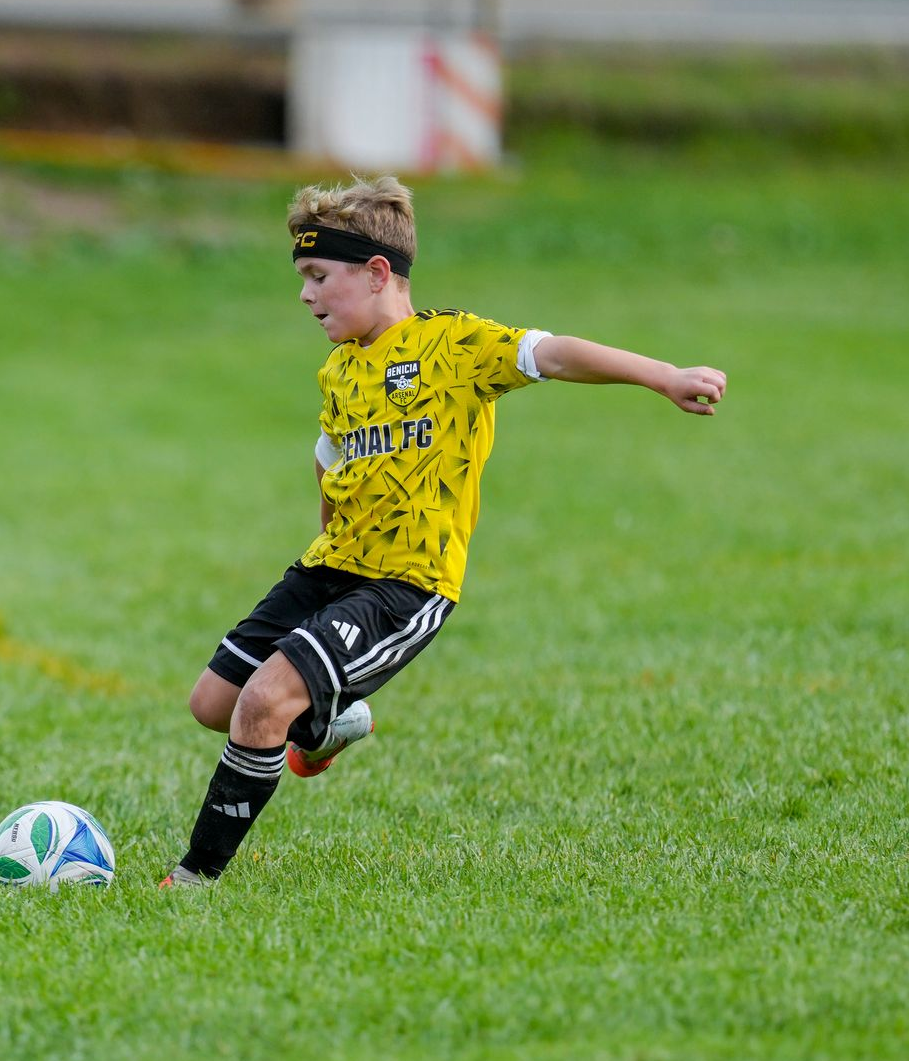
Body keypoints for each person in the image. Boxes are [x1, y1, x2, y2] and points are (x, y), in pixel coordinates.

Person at [161, 175, 726, 886]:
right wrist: (323, 549)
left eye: (316, 276)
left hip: (406, 581)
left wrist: (662, 376)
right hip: (331, 566)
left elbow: (553, 353)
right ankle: (327, 725)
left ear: (375, 273)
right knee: (212, 703)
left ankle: (192, 879)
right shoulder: (339, 371)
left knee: (264, 700)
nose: (304, 294)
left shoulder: (454, 344)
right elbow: (327, 463)